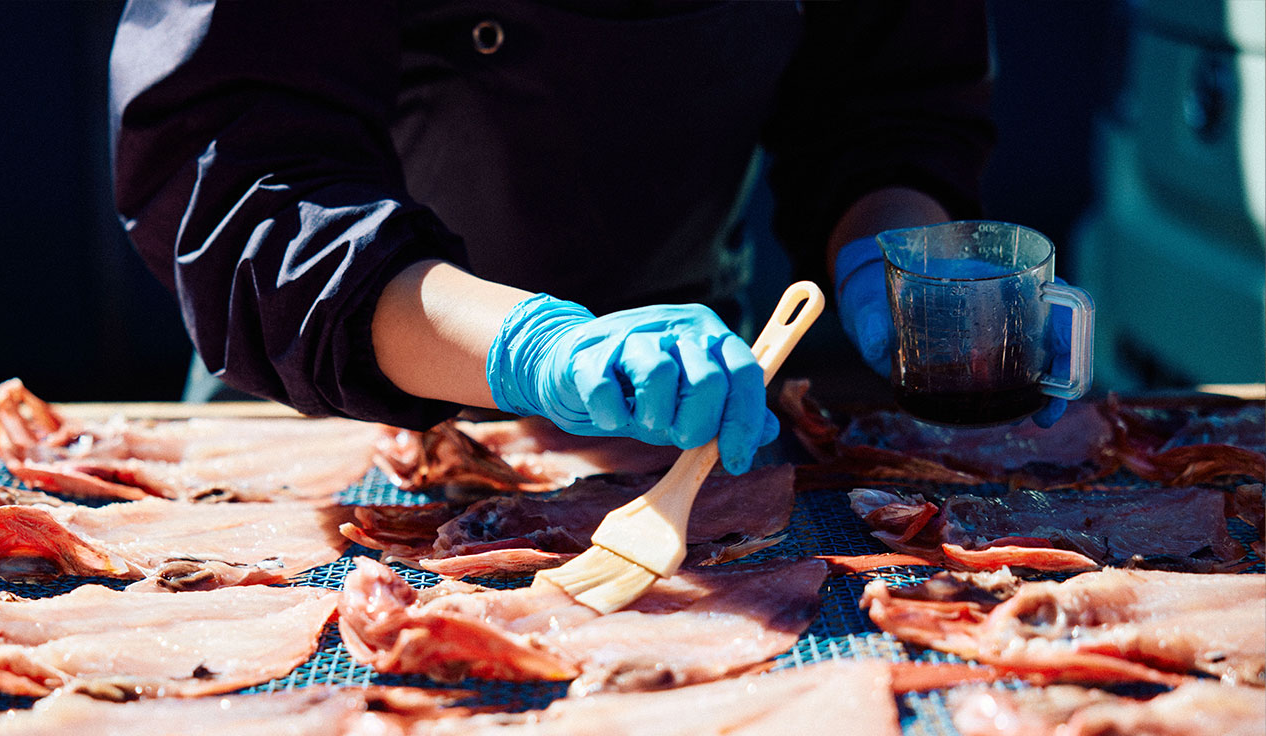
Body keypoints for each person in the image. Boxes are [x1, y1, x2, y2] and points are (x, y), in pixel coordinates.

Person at [108, 1, 997, 474]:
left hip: (696, 414)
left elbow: (887, 109)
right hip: (319, 407)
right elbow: (246, 183)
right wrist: (537, 350)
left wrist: (902, 274)